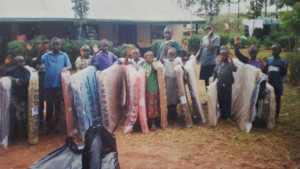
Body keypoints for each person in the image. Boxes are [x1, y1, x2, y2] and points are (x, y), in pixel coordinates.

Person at [41, 37, 72, 133]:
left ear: (60, 45)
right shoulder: (46, 56)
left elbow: (70, 66)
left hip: (60, 85)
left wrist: (66, 68)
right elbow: (39, 64)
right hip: (48, 85)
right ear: (50, 45)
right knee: (49, 107)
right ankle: (48, 126)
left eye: (57, 44)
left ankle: (56, 125)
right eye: (53, 44)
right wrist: (40, 52)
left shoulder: (64, 55)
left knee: (58, 106)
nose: (55, 46)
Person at [1, 55, 30, 138]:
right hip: (13, 95)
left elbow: (24, 82)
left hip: (23, 96)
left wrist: (13, 79)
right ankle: (12, 133)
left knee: (23, 115)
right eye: (20, 61)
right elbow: (3, 76)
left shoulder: (26, 72)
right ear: (15, 63)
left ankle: (24, 133)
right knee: (11, 112)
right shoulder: (11, 70)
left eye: (23, 61)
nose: (22, 63)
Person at [196, 23, 220, 105]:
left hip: (212, 63)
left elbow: (211, 47)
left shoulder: (217, 38)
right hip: (204, 63)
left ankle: (214, 100)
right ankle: (209, 100)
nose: (208, 30)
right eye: (207, 29)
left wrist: (209, 37)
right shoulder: (203, 38)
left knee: (212, 82)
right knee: (206, 82)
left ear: (213, 28)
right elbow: (201, 49)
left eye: (210, 28)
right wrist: (195, 57)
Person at [263, 44, 288, 121]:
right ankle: (269, 114)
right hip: (270, 84)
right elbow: (265, 70)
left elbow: (284, 74)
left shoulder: (282, 62)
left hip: (278, 84)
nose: (272, 51)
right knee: (269, 99)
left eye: (274, 50)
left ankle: (277, 115)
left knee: (278, 99)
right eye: (272, 50)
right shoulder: (269, 60)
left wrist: (285, 68)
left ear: (280, 51)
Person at [212, 48, 237, 120]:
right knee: (220, 100)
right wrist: (213, 82)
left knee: (227, 100)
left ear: (227, 56)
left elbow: (234, 69)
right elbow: (214, 74)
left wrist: (231, 60)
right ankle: (223, 114)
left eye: (224, 55)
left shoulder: (230, 64)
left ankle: (228, 115)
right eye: (221, 55)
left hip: (227, 86)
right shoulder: (218, 65)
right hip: (219, 85)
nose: (222, 56)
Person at [160, 47, 181, 122]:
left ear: (175, 55)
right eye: (169, 54)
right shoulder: (165, 61)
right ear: (167, 54)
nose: (171, 56)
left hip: (175, 82)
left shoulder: (177, 62)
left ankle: (174, 114)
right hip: (167, 81)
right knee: (168, 99)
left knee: (174, 99)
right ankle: (169, 115)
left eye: (173, 54)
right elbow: (160, 59)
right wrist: (164, 50)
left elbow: (181, 68)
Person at [143, 51, 160, 130]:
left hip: (153, 90)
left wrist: (151, 63)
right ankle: (150, 123)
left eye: (150, 56)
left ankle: (154, 124)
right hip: (147, 90)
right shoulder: (144, 65)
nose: (148, 58)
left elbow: (154, 71)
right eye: (147, 56)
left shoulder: (155, 64)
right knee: (149, 107)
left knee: (153, 107)